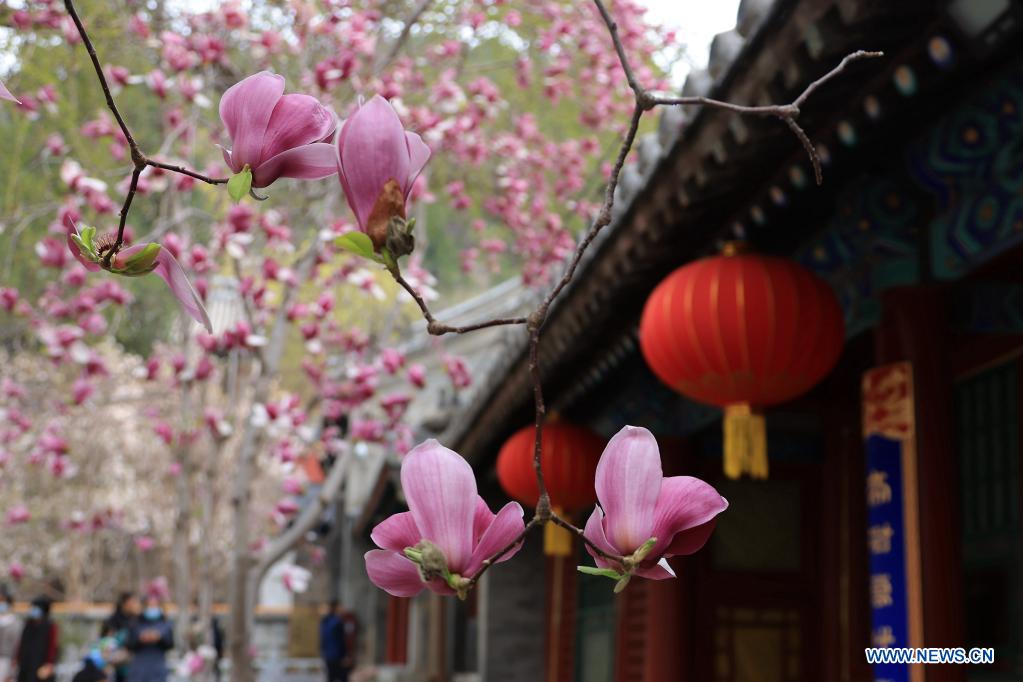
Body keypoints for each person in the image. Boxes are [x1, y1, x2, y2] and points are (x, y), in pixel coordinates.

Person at [125, 596, 173, 682]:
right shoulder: (135, 623)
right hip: (139, 667)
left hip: (158, 666)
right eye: (150, 605)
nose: (152, 607)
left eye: (155, 605)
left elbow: (170, 644)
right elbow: (129, 644)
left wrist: (160, 638)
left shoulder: (166, 623)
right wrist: (140, 639)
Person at [13, 596, 58, 682]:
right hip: (25, 663)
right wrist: (17, 658)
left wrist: (49, 663)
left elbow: (52, 646)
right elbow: (22, 643)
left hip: (40, 663)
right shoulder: (28, 625)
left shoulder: (50, 626)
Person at [104, 592, 139, 682]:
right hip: (117, 667)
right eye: (133, 602)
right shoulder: (113, 621)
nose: (136, 605)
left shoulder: (137, 620)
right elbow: (106, 642)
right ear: (125, 603)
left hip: (135, 666)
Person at [319, 600, 350, 682]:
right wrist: (345, 655)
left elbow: (323, 639)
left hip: (328, 656)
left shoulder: (324, 621)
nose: (342, 609)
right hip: (338, 656)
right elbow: (341, 640)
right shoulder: (337, 622)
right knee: (343, 678)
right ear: (335, 608)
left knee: (331, 678)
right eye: (340, 607)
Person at [0, 588, 20, 681]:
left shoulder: (14, 622)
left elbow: (17, 644)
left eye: (2, 601)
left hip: (6, 660)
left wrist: (12, 668)